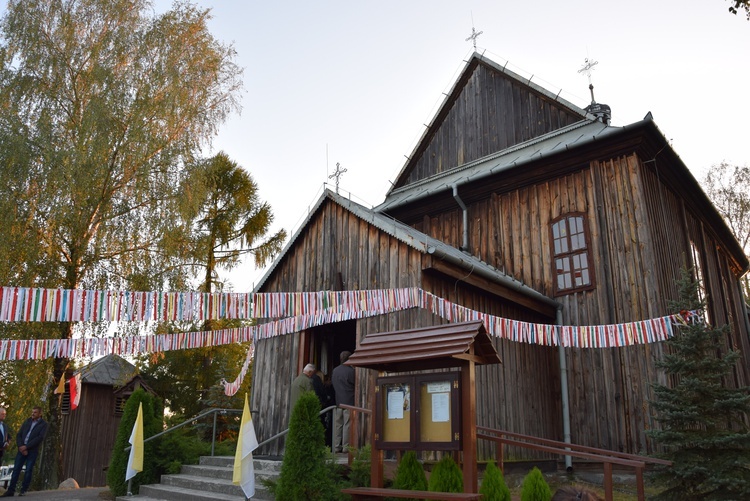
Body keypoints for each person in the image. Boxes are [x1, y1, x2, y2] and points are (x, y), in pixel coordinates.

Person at [2, 406, 47, 497]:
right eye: (32, 412)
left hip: (32, 451)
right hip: (21, 450)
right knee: (16, 470)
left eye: (35, 412)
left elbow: (40, 438)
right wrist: (21, 446)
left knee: (28, 470)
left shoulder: (44, 424)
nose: (32, 414)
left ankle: (23, 490)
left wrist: (27, 447)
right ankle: (11, 490)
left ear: (40, 414)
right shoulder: (27, 421)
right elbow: (19, 434)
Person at [331, 351, 355, 453]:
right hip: (349, 401)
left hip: (338, 402)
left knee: (338, 425)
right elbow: (355, 384)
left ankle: (336, 447)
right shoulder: (351, 371)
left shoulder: (335, 371)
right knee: (347, 424)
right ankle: (346, 447)